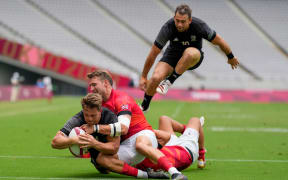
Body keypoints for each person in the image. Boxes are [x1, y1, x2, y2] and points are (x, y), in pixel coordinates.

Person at [81, 70, 187, 180]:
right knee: (101, 160)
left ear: (106, 83)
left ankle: (175, 173)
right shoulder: (98, 105)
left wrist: (95, 128)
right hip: (125, 144)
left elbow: (123, 128)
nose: (91, 89)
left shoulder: (121, 98)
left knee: (140, 145)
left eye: (94, 85)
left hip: (142, 134)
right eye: (90, 86)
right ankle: (146, 175)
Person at [140, 4, 240, 111]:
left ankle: (168, 82)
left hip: (193, 57)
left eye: (183, 22)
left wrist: (230, 57)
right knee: (155, 78)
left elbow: (219, 41)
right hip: (172, 56)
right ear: (174, 18)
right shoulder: (167, 27)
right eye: (177, 20)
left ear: (190, 20)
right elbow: (153, 53)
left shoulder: (199, 26)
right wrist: (144, 76)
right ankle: (144, 106)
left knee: (189, 53)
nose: (179, 24)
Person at [51, 93, 166, 179]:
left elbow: (114, 148)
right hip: (98, 156)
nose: (89, 119)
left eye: (93, 115)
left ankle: (146, 174)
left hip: (118, 148)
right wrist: (74, 139)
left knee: (105, 160)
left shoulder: (110, 118)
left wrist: (93, 143)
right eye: (86, 115)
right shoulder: (78, 118)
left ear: (100, 110)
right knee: (103, 168)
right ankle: (145, 170)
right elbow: (55, 142)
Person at [136, 115, 206, 171]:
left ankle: (189, 132)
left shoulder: (132, 158)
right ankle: (201, 155)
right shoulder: (139, 144)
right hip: (186, 150)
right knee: (195, 120)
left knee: (164, 119)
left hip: (168, 149)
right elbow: (166, 136)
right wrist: (147, 132)